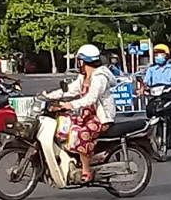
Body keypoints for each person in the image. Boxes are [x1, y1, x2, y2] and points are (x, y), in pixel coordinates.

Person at [43, 44, 117, 183]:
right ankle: (77, 158)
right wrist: (48, 96)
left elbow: (91, 98)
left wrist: (71, 104)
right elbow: (71, 90)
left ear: (83, 61)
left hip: (101, 118)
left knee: (80, 133)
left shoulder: (100, 77)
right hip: (87, 114)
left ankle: (86, 169)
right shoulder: (83, 76)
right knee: (63, 127)